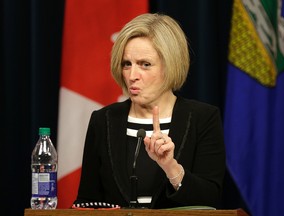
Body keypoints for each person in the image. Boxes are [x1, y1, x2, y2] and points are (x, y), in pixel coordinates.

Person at [73, 13, 226, 209]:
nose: (132, 75)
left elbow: (210, 200)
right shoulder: (104, 120)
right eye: (127, 64)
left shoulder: (202, 118)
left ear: (171, 65)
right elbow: (86, 201)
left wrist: (170, 166)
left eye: (145, 65)